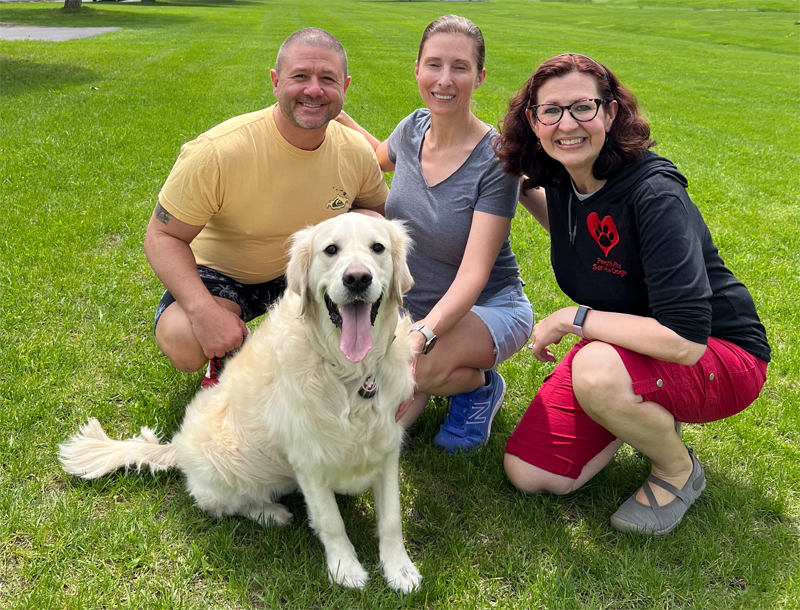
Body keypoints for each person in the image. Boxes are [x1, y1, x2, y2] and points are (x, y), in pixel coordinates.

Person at [494, 54, 770, 534]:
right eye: (550, 111)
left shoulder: (653, 193)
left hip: (719, 355)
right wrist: (512, 186)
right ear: (534, 122)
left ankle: (677, 470)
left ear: (611, 112)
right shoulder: (564, 178)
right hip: (628, 347)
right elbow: (578, 232)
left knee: (595, 370)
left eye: (583, 107)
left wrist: (570, 319)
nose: (567, 124)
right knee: (531, 474)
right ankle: (636, 407)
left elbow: (686, 341)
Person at [144, 28, 389, 388]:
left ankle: (349, 362)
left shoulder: (355, 151)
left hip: (306, 269)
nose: (314, 90)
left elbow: (380, 220)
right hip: (224, 273)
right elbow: (161, 236)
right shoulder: (218, 151)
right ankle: (225, 358)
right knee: (184, 340)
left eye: (327, 79)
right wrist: (203, 312)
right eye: (300, 77)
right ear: (276, 82)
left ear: (345, 87)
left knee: (372, 223)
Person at [337, 15, 533, 452]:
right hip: (420, 307)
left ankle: (478, 386)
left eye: (459, 67)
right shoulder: (412, 128)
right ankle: (436, 370)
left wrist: (423, 333)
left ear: (479, 76)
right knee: (372, 435)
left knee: (416, 369)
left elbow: (474, 275)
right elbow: (375, 158)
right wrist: (335, 110)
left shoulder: (496, 160)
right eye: (434, 64)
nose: (444, 80)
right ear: (417, 69)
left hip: (487, 306)